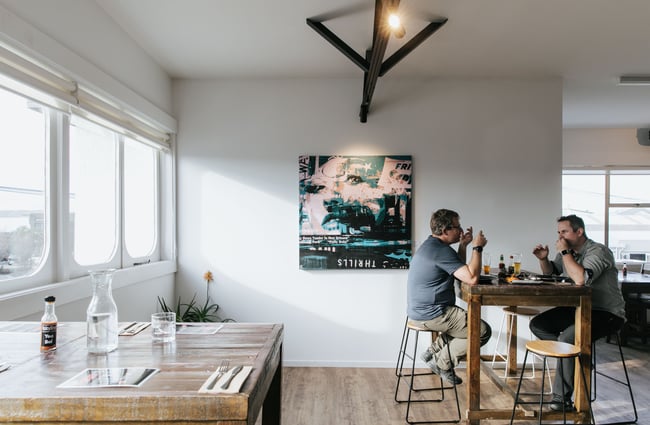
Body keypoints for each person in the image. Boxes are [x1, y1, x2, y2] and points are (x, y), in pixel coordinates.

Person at [530, 214, 626, 411]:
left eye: (564, 232)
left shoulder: (599, 251)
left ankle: (561, 399)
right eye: (558, 233)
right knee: (539, 325)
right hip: (577, 307)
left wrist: (565, 252)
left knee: (567, 338)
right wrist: (544, 259)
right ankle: (571, 361)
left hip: (607, 313)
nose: (560, 237)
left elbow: (581, 278)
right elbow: (552, 272)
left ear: (579, 231)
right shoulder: (568, 251)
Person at [406, 208, 492, 384]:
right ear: (445, 231)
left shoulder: (433, 246)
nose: (461, 230)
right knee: (481, 331)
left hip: (419, 312)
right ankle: (442, 362)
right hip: (433, 313)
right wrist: (477, 248)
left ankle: (433, 351)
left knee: (465, 324)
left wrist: (463, 246)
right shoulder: (441, 251)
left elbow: (456, 270)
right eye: (457, 227)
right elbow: (472, 278)